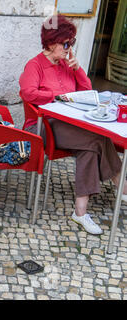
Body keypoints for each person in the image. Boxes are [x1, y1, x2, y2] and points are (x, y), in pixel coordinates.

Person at [19, 15, 127, 235]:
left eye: (72, 43)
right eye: (66, 43)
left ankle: (80, 212)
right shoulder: (35, 65)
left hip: (69, 124)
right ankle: (122, 185)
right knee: (97, 138)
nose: (69, 49)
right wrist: (58, 95)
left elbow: (88, 92)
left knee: (92, 143)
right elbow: (27, 92)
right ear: (51, 42)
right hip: (42, 126)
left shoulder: (67, 65)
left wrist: (77, 69)